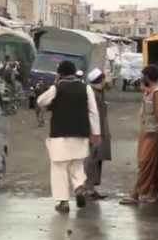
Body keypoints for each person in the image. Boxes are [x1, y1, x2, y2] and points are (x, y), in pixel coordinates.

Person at [37, 61, 101, 213]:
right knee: (77, 165)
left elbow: (40, 101)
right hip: (80, 134)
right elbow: (93, 111)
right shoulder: (86, 88)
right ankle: (79, 187)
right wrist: (96, 133)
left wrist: (55, 85)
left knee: (59, 168)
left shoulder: (56, 88)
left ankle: (63, 202)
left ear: (60, 74)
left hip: (59, 135)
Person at [120, 65, 158, 205]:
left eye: (143, 76)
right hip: (147, 131)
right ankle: (151, 194)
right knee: (151, 165)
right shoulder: (151, 91)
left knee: (145, 163)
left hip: (154, 133)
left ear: (147, 77)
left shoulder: (157, 92)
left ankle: (136, 194)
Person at [84, 69, 112, 200]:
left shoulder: (99, 92)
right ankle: (88, 189)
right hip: (94, 131)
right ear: (100, 79)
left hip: (100, 130)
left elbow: (109, 85)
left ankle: (91, 188)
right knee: (91, 160)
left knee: (97, 159)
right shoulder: (92, 94)